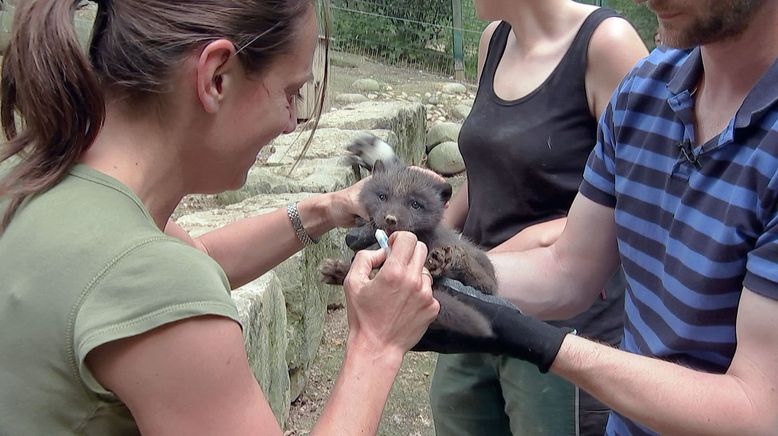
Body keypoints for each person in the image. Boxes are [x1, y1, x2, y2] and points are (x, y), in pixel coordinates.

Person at [0, 1, 439, 434]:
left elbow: (197, 257)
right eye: (290, 93)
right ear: (216, 77)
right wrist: (376, 346)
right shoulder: (149, 280)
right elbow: (166, 285)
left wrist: (325, 209)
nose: (292, 121)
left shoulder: (34, 179)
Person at [416, 0, 778, 434]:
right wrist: (434, 271)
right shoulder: (645, 90)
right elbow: (568, 268)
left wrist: (542, 343)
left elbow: (756, 409)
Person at [430, 1, 647, 434]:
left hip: (559, 321)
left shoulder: (608, 45)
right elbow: (487, 172)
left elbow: (642, 201)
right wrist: (429, 240)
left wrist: (518, 248)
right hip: (473, 304)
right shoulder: (494, 40)